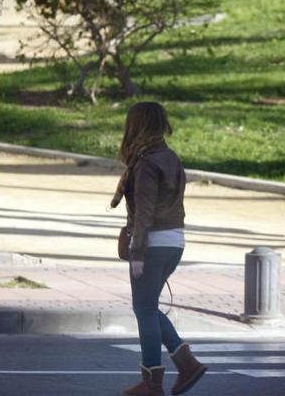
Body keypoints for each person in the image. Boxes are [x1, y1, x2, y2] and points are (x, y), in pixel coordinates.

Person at [112, 102, 207, 396]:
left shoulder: (146, 164)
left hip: (152, 244)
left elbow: (145, 211)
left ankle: (155, 381)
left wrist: (138, 252)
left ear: (137, 125)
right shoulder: (169, 157)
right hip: (173, 241)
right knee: (148, 307)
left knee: (144, 309)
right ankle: (180, 365)